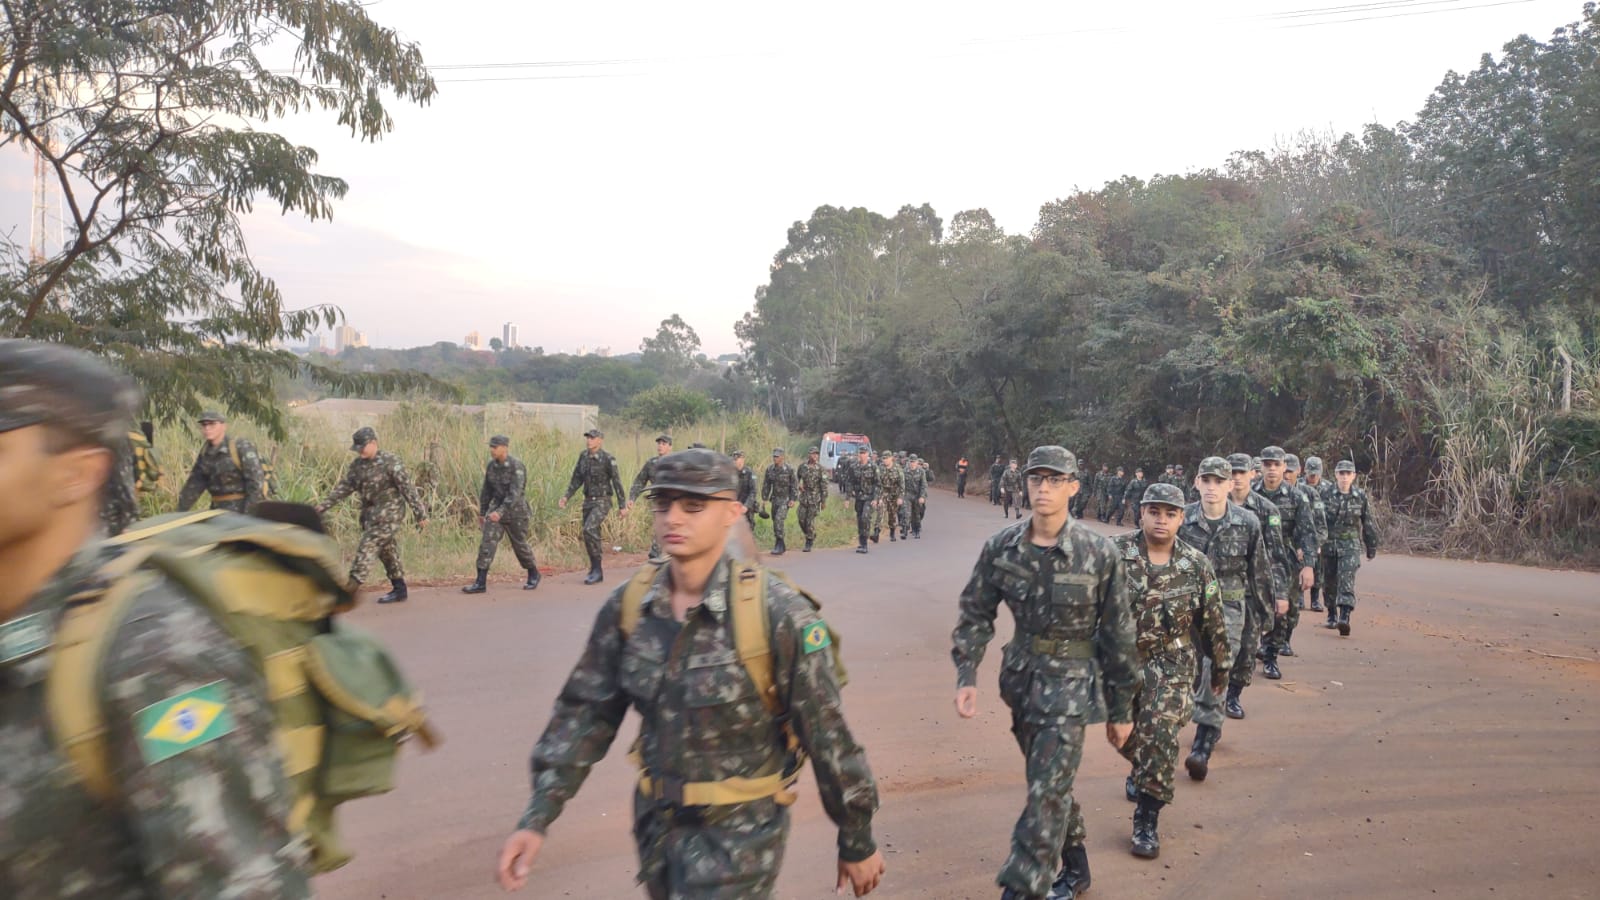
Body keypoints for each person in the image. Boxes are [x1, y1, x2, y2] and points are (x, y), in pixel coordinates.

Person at [495, 449, 886, 899]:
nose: (673, 518)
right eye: (663, 504)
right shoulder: (630, 608)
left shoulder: (779, 614)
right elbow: (584, 715)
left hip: (741, 837)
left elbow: (828, 735)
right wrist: (537, 816)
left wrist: (857, 838)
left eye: (693, 506)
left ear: (733, 513)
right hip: (656, 829)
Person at [0, 339, 311, 899]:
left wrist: (237, 524)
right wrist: (185, 510)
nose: (209, 429)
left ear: (76, 474)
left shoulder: (159, 661)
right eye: (205, 424)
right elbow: (192, 482)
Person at [952, 445, 1138, 900]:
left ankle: (1023, 886)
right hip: (1021, 683)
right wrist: (967, 674)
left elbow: (1118, 634)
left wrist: (1121, 708)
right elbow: (976, 613)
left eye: (1055, 480)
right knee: (1048, 782)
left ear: (1074, 486)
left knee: (1047, 789)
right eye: (1037, 479)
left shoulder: (1098, 553)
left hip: (1072, 689)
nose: (1044, 488)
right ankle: (1076, 867)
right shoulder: (1002, 547)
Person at [1113, 483, 1230, 860]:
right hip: (1122, 661)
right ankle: (1143, 765)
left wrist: (1221, 667)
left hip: (1172, 663)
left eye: (1170, 513)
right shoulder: (1113, 554)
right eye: (1154, 511)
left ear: (1182, 518)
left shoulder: (1196, 564)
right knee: (1122, 735)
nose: (1161, 520)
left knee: (1161, 735)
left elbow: (1213, 622)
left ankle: (1146, 819)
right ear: (1141, 512)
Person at [1178, 457, 1276, 780]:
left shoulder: (1248, 523)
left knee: (1217, 665)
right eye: (1206, 481)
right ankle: (1205, 716)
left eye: (1218, 481)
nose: (1211, 488)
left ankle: (1203, 741)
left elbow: (1259, 571)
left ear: (1229, 485)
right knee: (1192, 672)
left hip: (1229, 608)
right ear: (1196, 483)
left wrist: (1266, 614)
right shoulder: (1183, 519)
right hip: (1189, 608)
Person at [315, 426, 430, 604]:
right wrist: (322, 507)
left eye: (362, 447)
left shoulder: (390, 461)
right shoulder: (357, 466)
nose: (359, 451)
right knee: (387, 550)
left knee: (368, 545)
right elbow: (344, 488)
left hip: (390, 514)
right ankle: (399, 589)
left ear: (373, 443)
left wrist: (420, 514)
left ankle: (349, 590)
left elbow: (408, 489)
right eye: (357, 448)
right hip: (370, 515)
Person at [1223, 453, 1291, 708]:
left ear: (1253, 474)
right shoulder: (1214, 507)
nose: (1237, 478)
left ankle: (1233, 695)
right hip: (1218, 589)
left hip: (1252, 592)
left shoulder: (1266, 510)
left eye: (1242, 472)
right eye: (1232, 473)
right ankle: (1211, 697)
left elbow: (1275, 555)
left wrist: (1281, 594)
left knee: (1247, 650)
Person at [1255, 447, 1318, 662]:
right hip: (1254, 558)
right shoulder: (1251, 494)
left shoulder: (1296, 497)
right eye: (1267, 464)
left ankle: (1271, 656)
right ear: (1261, 467)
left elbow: (1308, 533)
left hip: (1285, 560)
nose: (1272, 469)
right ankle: (1262, 646)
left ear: (1284, 467)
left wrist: (1308, 566)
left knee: (1283, 609)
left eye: (1276, 464)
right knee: (1255, 605)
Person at [463, 435, 541, 594]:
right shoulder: (492, 466)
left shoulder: (516, 466)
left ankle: (533, 573)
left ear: (505, 448)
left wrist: (500, 512)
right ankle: (480, 582)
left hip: (516, 512)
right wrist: (483, 512)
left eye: (495, 447)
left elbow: (515, 494)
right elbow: (486, 491)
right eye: (491, 447)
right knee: (487, 542)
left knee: (519, 545)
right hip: (495, 512)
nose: (492, 450)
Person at [559, 428, 627, 585]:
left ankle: (596, 570)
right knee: (591, 534)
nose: (589, 440)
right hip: (588, 500)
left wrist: (622, 506)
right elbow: (576, 479)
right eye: (588, 438)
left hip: (603, 500)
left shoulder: (608, 459)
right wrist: (566, 497)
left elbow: (617, 482)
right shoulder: (583, 457)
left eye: (592, 438)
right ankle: (596, 569)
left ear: (600, 440)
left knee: (589, 529)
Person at [1322, 460, 1379, 636]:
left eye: (1348, 474)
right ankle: (1331, 612)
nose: (1345, 477)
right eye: (1342, 473)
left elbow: (1367, 521)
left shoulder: (1360, 496)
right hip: (1329, 544)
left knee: (1346, 578)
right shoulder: (1325, 494)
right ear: (1336, 475)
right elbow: (1316, 521)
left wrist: (1371, 545)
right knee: (1329, 582)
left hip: (1350, 545)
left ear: (1353, 476)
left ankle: (1344, 616)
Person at [176, 409, 265, 513]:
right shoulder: (205, 453)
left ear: (223, 426)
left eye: (212, 424)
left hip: (241, 509)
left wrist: (249, 515)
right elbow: (194, 485)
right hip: (217, 511)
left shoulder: (240, 447)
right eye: (204, 425)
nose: (207, 428)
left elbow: (255, 483)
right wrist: (178, 514)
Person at [629, 434, 674, 561]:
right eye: (659, 443)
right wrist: (632, 498)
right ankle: (657, 557)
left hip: (674, 503)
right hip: (658, 503)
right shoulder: (651, 463)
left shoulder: (676, 463)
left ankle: (664, 557)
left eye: (663, 444)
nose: (660, 446)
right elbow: (640, 481)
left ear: (670, 447)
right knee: (659, 528)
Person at [1302, 456, 1333, 613]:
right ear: (1305, 471)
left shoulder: (1328, 488)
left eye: (1315, 474)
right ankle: (1299, 598)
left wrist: (1322, 540)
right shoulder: (1299, 486)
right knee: (1300, 565)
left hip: (1321, 532)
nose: (1312, 477)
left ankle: (1315, 600)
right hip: (1302, 532)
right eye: (1310, 473)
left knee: (1318, 568)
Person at [761, 448, 798, 555]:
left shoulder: (789, 469)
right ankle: (780, 542)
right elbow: (766, 484)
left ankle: (780, 544)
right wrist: (764, 498)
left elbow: (794, 485)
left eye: (777, 456)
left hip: (785, 500)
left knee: (778, 520)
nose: (775, 458)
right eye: (774, 456)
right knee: (775, 521)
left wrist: (792, 499)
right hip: (775, 499)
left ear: (782, 457)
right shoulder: (770, 469)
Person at [844, 445, 878, 554]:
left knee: (865, 517)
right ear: (858, 454)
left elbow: (878, 484)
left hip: (869, 497)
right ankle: (861, 541)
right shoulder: (854, 467)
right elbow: (849, 482)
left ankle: (865, 545)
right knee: (859, 520)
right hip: (859, 497)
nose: (862, 455)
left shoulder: (873, 467)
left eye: (864, 453)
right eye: (861, 453)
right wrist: (847, 498)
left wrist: (876, 498)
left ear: (868, 454)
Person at [796, 445, 828, 552]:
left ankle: (809, 541)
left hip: (815, 499)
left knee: (809, 521)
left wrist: (823, 501)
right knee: (801, 519)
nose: (815, 456)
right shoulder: (802, 467)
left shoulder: (821, 469)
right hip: (804, 497)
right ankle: (811, 534)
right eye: (813, 454)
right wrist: (798, 485)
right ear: (809, 455)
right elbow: (796, 478)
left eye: (817, 454)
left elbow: (824, 486)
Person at [872, 450, 905, 542]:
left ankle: (892, 532)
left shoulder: (898, 469)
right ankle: (876, 533)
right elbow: (878, 485)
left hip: (894, 494)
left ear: (891, 458)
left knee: (892, 514)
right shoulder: (880, 468)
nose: (885, 460)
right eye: (883, 459)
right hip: (884, 493)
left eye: (887, 458)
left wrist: (900, 497)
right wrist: (876, 498)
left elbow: (902, 484)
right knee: (880, 510)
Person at [902, 453, 927, 539]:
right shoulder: (905, 471)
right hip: (907, 495)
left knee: (916, 514)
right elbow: (901, 484)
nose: (912, 463)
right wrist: (901, 496)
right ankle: (904, 530)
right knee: (906, 513)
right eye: (911, 462)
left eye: (914, 462)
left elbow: (924, 485)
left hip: (917, 495)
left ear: (917, 462)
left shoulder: (921, 472)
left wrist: (922, 497)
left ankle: (916, 531)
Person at [733, 450, 758, 529]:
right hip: (735, 506)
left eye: (736, 459)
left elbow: (753, 491)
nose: (734, 461)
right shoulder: (732, 473)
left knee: (747, 530)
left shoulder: (750, 473)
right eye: (734, 460)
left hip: (746, 507)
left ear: (742, 459)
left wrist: (746, 506)